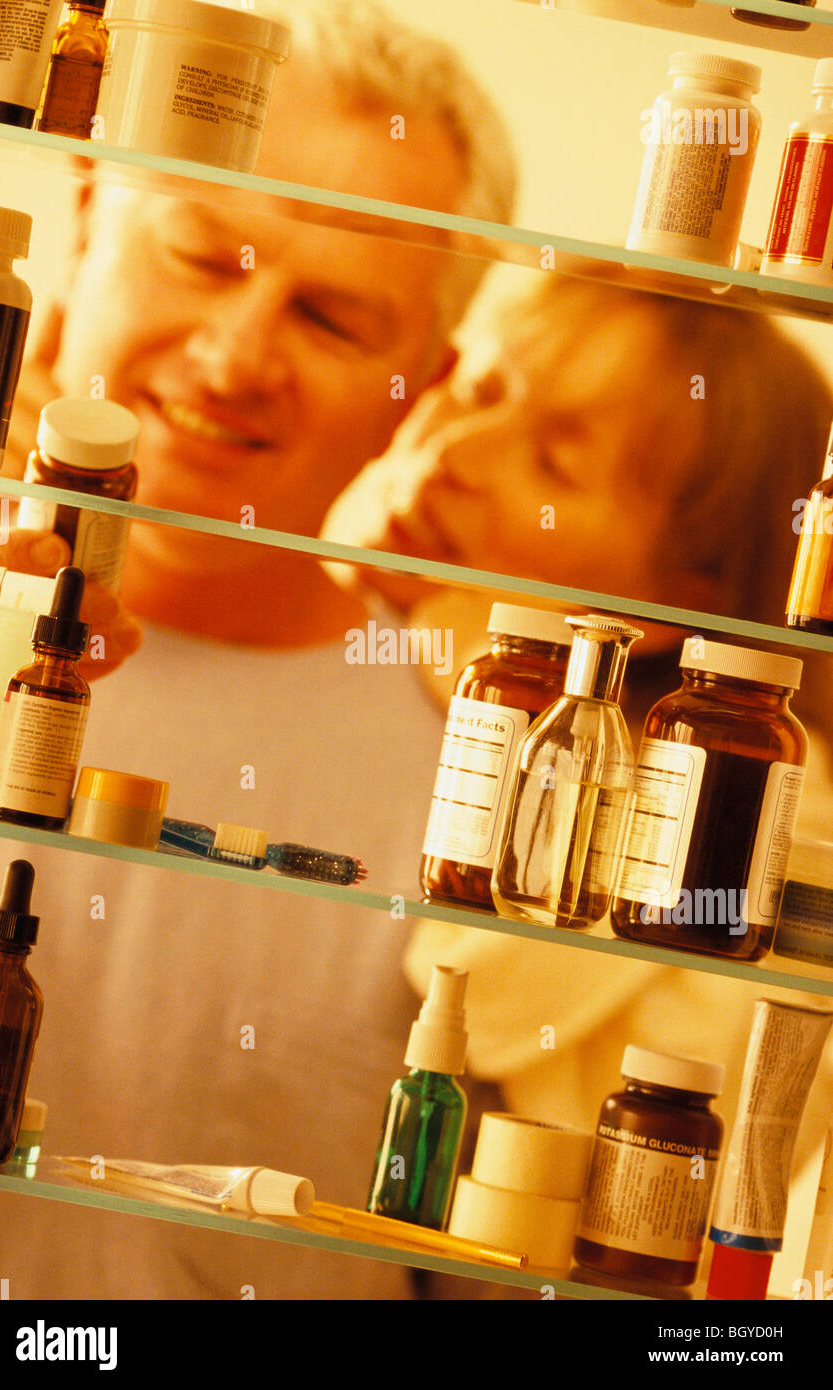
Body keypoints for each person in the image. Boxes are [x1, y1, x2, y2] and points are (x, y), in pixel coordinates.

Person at [0, 0, 519, 1299]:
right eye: (206, 254)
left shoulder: (470, 772)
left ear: (420, 380)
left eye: (333, 320)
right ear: (90, 215)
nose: (234, 358)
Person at [321, 274, 833, 1290]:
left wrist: (458, 636)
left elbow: (476, 983)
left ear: (670, 601)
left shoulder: (726, 792)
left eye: (554, 460)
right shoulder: (351, 647)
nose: (452, 455)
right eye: (473, 392)